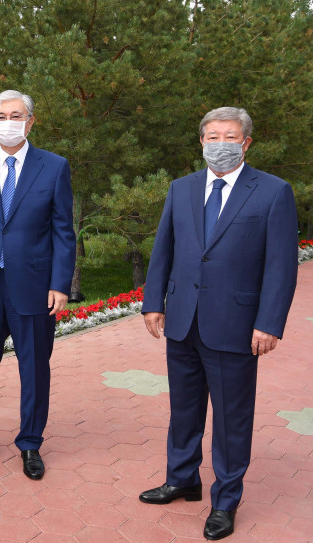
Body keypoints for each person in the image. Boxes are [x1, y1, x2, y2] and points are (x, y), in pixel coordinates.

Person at [140, 107, 298, 540]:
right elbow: (164, 249)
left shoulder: (273, 191)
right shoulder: (182, 188)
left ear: (246, 143)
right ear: (202, 141)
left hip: (236, 324)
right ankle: (182, 479)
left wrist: (269, 323)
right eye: (212, 136)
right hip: (182, 321)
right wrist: (153, 302)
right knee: (183, 409)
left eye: (229, 137)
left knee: (231, 419)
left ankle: (225, 501)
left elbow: (281, 266)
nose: (220, 144)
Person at [0, 90, 76, 479]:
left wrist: (60, 284)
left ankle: (30, 443)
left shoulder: (54, 167)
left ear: (31, 121)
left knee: (34, 369)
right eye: (1, 116)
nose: (8, 122)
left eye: (16, 115)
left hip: (35, 287)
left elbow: (63, 231)